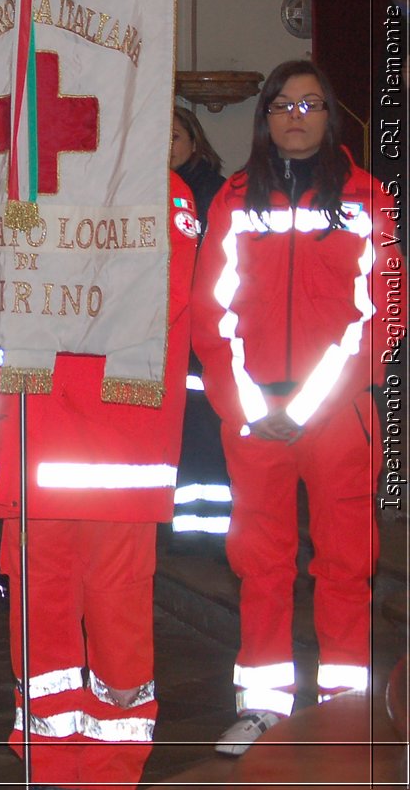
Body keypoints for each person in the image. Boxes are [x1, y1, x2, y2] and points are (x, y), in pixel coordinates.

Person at [192, 60, 400, 754]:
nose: (296, 116)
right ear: (267, 117)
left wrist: (307, 405)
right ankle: (262, 706)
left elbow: (382, 317)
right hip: (252, 415)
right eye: (283, 105)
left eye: (311, 105)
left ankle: (345, 709)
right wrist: (248, 402)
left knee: (346, 564)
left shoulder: (371, 200)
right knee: (261, 562)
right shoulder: (235, 198)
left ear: (330, 115)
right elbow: (209, 309)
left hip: (340, 415)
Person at [0, 173, 199, 790]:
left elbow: (156, 296)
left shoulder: (161, 189)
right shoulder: (25, 189)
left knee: (117, 629)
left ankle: (109, 772)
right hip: (34, 445)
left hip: (117, 458)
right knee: (39, 622)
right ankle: (48, 765)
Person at [169, 106, 233, 541]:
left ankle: (207, 532)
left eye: (173, 137)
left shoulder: (214, 192)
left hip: (202, 332)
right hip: (170, 332)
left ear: (194, 141)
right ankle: (183, 528)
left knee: (204, 434)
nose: (165, 146)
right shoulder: (147, 188)